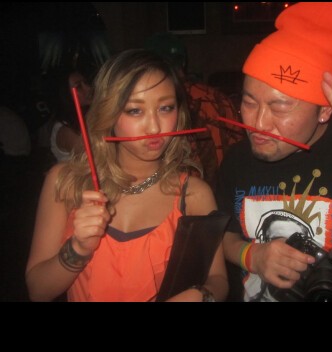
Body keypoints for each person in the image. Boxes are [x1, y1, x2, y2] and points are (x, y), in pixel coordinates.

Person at [216, 2, 332, 302]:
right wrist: (252, 255)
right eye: (249, 102)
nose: (258, 124)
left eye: (279, 107)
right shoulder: (236, 160)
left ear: (324, 110)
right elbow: (220, 234)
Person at [25, 49, 228, 302]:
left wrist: (200, 296)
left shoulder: (194, 194)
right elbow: (38, 291)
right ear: (108, 114)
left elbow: (218, 280)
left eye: (166, 108)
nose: (154, 127)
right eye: (135, 110)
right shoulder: (65, 181)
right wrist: (78, 249)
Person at [144, 32, 244, 190]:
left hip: (182, 193)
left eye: (166, 108)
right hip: (228, 188)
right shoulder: (219, 98)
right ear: (183, 62)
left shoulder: (174, 104)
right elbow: (240, 148)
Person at [46, 68, 93, 162]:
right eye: (79, 86)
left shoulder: (90, 117)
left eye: (86, 82)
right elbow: (95, 162)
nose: (88, 88)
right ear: (65, 94)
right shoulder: (67, 130)